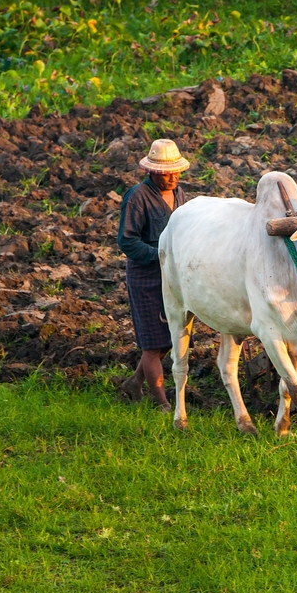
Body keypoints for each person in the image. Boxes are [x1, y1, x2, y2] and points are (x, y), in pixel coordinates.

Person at [116, 139, 190, 411]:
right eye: (165, 172)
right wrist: (159, 256)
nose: (172, 177)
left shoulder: (180, 194)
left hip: (173, 276)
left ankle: (134, 383)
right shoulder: (137, 197)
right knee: (151, 343)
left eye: (175, 171)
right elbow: (127, 241)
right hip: (146, 276)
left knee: (170, 338)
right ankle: (162, 403)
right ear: (152, 172)